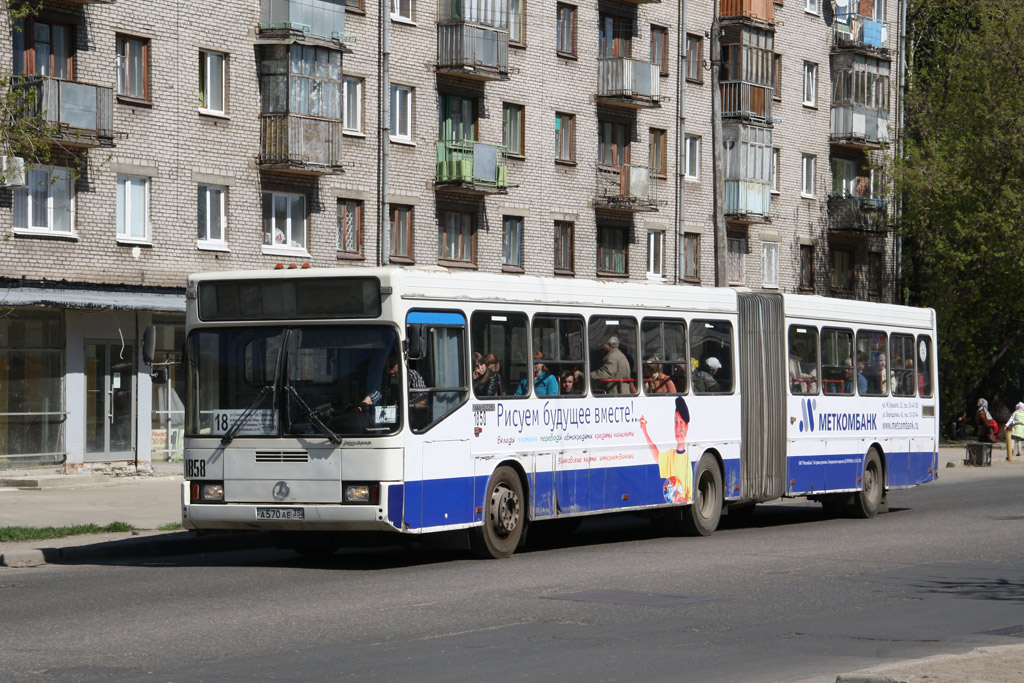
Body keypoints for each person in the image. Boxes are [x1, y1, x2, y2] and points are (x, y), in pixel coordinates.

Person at [638, 397, 692, 504]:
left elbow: (689, 496)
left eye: (681, 423)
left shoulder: (687, 461)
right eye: (675, 422)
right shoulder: (671, 455)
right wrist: (644, 430)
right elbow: (657, 455)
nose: (677, 428)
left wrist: (684, 500)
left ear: (686, 428)